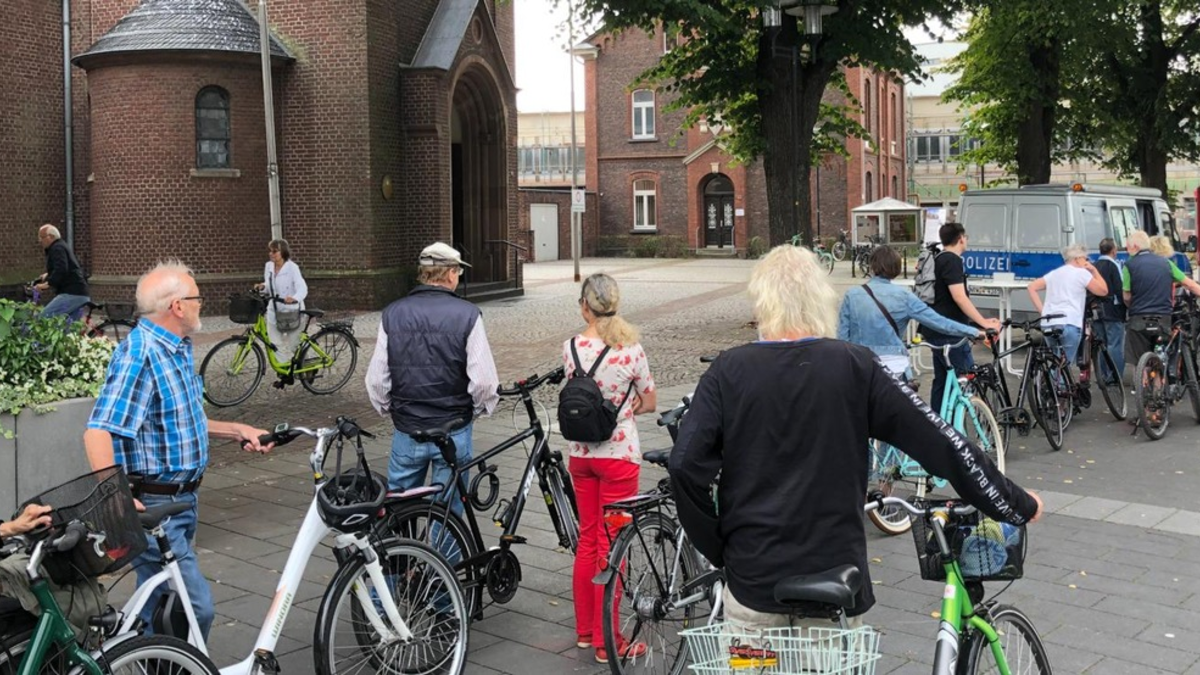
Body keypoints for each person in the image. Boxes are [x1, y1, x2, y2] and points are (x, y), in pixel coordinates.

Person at [668, 244, 1043, 634]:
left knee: (752, 656)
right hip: (831, 576)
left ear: (761, 301)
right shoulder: (853, 365)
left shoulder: (728, 370)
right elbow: (940, 440)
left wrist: (719, 546)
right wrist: (1014, 502)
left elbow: (684, 465)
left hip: (752, 577)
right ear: (820, 298)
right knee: (828, 658)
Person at [83, 261, 272, 639]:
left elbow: (180, 419)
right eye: (196, 297)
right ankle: (160, 659)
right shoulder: (141, 354)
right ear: (177, 306)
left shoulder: (176, 348)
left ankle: (131, 655)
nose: (202, 303)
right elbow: (98, 431)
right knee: (194, 608)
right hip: (157, 504)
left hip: (182, 501)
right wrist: (115, 497)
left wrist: (236, 430)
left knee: (159, 602)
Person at [563, 273, 656, 664]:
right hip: (618, 456)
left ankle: (586, 632)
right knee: (613, 545)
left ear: (585, 306)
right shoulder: (630, 349)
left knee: (587, 540)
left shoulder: (570, 347)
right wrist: (631, 406)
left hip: (581, 455)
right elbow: (649, 401)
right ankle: (609, 641)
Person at [365, 242, 500, 505]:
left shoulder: (393, 313)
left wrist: (394, 411)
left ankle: (400, 533)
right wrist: (473, 412)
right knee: (448, 514)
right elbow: (484, 383)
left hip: (408, 428)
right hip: (453, 428)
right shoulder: (468, 314)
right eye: (458, 272)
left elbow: (377, 381)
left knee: (399, 508)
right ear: (450, 273)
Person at [838, 245, 981, 381]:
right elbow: (939, 322)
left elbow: (843, 335)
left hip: (861, 363)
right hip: (894, 365)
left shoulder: (852, 295)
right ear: (896, 268)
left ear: (872, 266)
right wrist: (974, 331)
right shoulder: (904, 296)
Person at [919, 222, 1002, 410]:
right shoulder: (952, 260)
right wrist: (983, 323)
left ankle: (938, 421)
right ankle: (962, 421)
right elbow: (959, 297)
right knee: (965, 378)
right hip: (951, 330)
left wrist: (975, 322)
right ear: (961, 239)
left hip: (934, 327)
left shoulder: (938, 259)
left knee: (942, 380)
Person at [1123, 230, 1200, 366]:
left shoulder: (1129, 265)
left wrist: (1132, 306)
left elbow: (1127, 296)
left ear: (1135, 246)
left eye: (1127, 247)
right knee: (1162, 355)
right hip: (1163, 316)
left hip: (1139, 317)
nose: (1126, 250)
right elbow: (1190, 285)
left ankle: (1142, 377)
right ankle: (1161, 376)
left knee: (1139, 360)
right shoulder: (1166, 263)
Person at [1026, 244, 1108, 367]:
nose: (1087, 262)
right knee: (1065, 366)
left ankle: (1051, 379)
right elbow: (1103, 290)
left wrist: (1043, 312)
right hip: (1069, 322)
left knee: (1055, 362)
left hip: (1048, 322)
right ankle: (1060, 379)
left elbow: (1031, 287)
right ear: (1078, 259)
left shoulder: (1054, 273)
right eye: (1085, 259)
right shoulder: (1081, 273)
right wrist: (1094, 270)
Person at [254, 239, 307, 364]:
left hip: (292, 311)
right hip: (274, 310)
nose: (271, 254)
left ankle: (305, 365)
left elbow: (302, 287)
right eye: (270, 251)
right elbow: (270, 285)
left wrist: (295, 298)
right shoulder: (269, 266)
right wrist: (263, 286)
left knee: (295, 344)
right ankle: (284, 368)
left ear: (283, 252)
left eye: (274, 251)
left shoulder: (292, 268)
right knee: (274, 343)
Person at [35, 224, 90, 321]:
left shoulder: (57, 248)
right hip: (80, 293)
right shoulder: (61, 246)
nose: (40, 240)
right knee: (69, 327)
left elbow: (61, 269)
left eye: (42, 237)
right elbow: (66, 267)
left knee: (43, 318)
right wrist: (47, 275)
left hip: (71, 293)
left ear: (51, 236)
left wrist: (47, 284)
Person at [1091, 238, 1127, 384]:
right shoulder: (1114, 265)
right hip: (1113, 309)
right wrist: (1125, 308)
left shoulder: (1094, 266)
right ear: (1113, 250)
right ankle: (1115, 375)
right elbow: (1119, 289)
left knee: (1102, 344)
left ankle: (1103, 375)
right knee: (1115, 344)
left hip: (1096, 309)